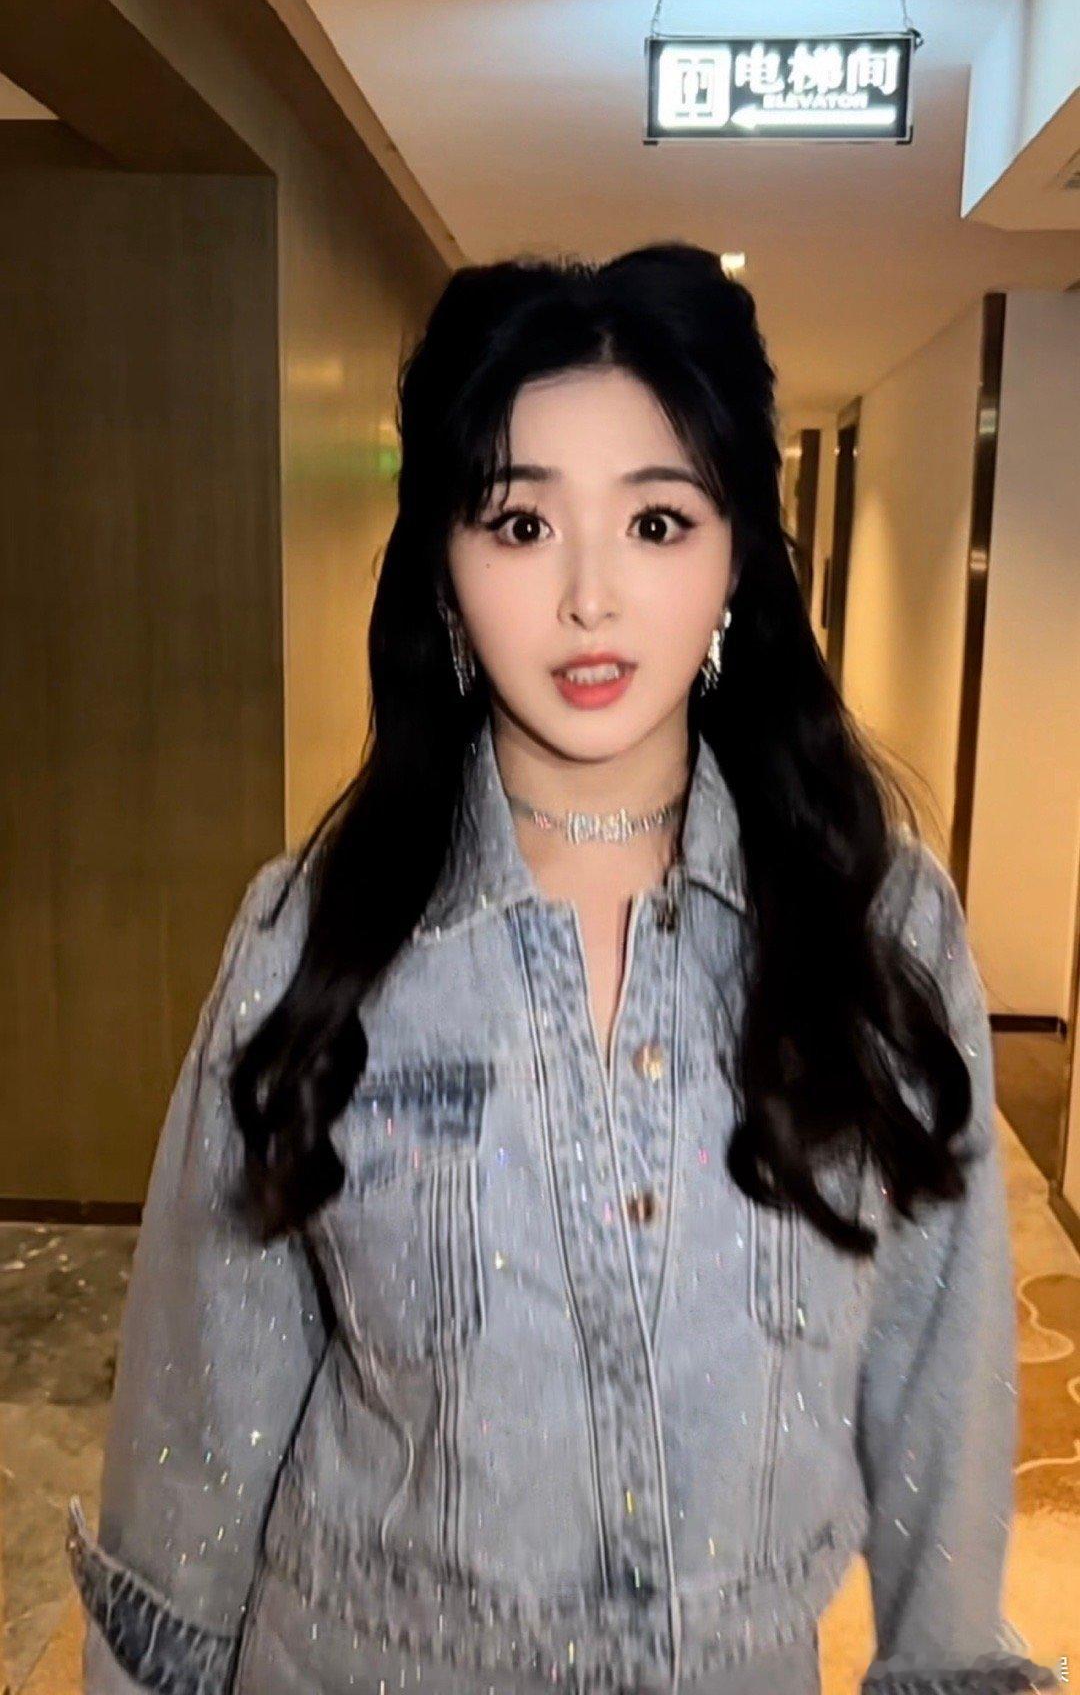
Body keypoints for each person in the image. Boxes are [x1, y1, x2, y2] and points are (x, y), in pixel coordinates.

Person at [67, 244, 1059, 1694]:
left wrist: (948, 1659)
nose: (591, 599)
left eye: (656, 521)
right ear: (445, 564)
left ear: (736, 555)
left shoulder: (877, 925)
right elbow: (200, 1420)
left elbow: (939, 1377)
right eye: (521, 523)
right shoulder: (314, 937)